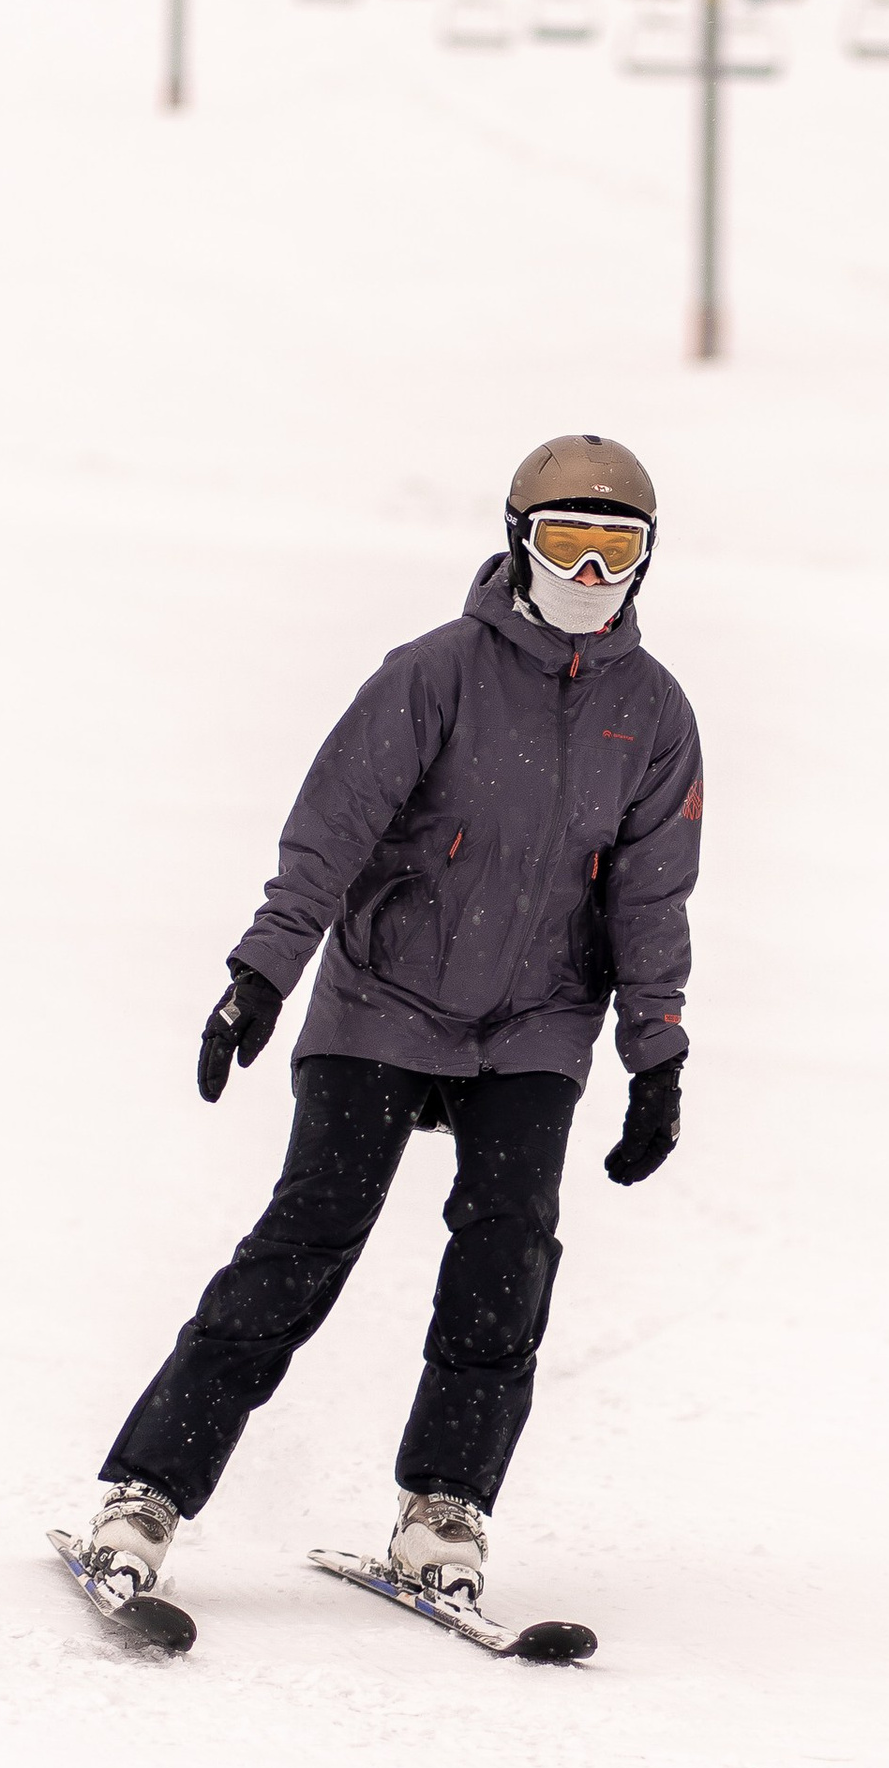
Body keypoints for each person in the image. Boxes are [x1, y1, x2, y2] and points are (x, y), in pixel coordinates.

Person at [76, 433, 701, 1621]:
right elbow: (331, 832)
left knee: (507, 1254)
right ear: (518, 543)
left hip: (534, 1020)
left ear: (646, 559)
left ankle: (443, 1512)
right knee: (306, 1241)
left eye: (613, 546)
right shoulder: (436, 673)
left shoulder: (654, 714)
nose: (586, 571)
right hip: (383, 1000)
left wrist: (654, 1053)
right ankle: (145, 1492)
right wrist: (261, 975)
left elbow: (649, 895)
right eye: (564, 542)